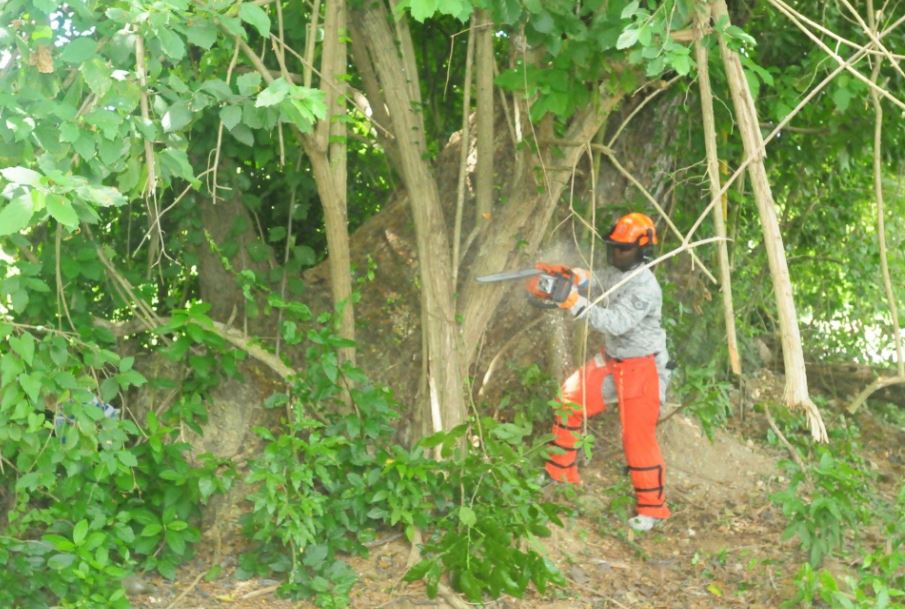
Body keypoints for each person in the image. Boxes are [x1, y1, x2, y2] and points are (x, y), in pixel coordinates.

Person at [529, 212, 673, 532]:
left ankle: (653, 508)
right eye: (614, 248)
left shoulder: (645, 287)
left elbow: (615, 323)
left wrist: (573, 301)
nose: (616, 253)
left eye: (623, 249)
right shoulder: (619, 272)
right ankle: (560, 472)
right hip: (612, 360)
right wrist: (572, 276)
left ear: (641, 250)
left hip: (643, 367)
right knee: (569, 398)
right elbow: (597, 278)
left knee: (636, 437)